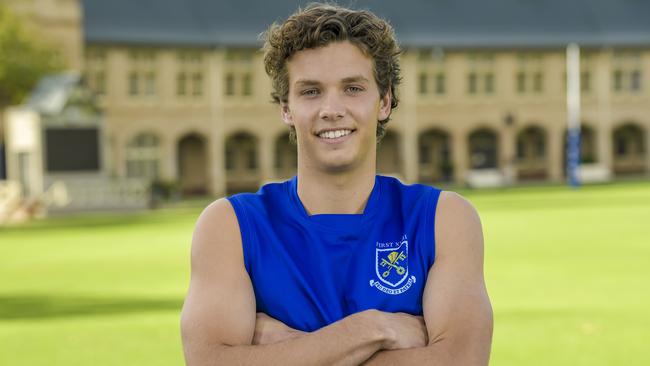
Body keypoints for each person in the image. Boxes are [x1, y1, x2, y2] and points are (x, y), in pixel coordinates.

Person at [180, 3, 493, 365]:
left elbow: (460, 361)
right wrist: (373, 330)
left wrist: (288, 351)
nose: (332, 108)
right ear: (286, 108)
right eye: (311, 91)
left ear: (385, 101)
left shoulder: (443, 219)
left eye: (353, 88)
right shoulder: (230, 226)